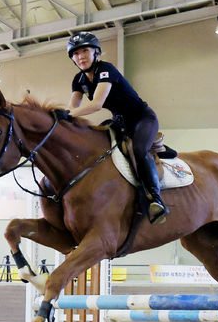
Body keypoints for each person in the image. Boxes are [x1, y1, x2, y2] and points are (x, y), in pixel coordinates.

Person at [58, 31, 169, 225]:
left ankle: (155, 199)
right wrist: (57, 118)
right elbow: (72, 107)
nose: (80, 56)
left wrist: (67, 115)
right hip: (119, 121)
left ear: (96, 52)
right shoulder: (79, 80)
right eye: (75, 54)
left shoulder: (105, 70)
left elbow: (96, 104)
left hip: (142, 118)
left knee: (139, 149)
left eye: (84, 50)